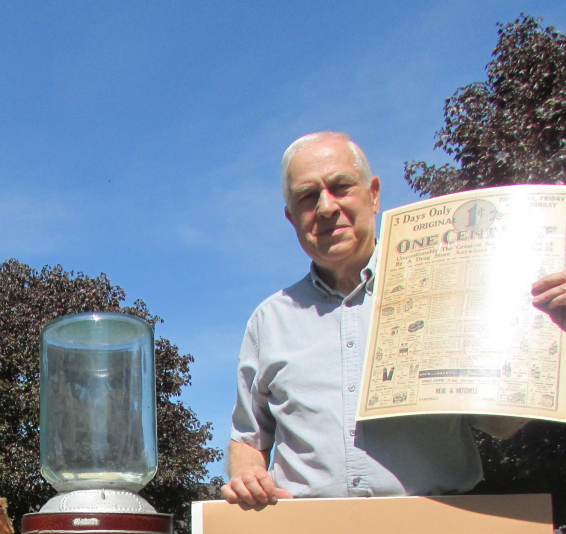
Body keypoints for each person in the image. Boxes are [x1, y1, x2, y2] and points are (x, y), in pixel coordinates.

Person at [221, 130, 566, 507]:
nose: (325, 207)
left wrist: (550, 332)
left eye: (341, 186)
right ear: (291, 216)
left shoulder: (451, 289)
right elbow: (248, 440)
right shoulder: (269, 320)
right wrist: (246, 476)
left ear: (374, 194)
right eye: (307, 196)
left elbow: (501, 424)